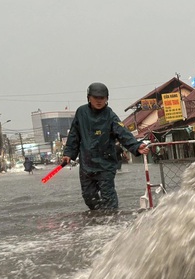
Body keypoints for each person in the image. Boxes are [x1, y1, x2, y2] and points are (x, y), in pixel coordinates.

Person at [62, 82, 149, 210]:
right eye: (95, 97)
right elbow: (74, 135)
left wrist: (136, 146)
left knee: (109, 198)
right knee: (89, 197)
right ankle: (98, 220)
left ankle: (112, 222)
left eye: (102, 98)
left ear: (107, 99)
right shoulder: (81, 113)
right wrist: (68, 154)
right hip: (86, 164)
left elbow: (122, 132)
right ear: (89, 98)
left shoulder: (110, 115)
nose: (99, 101)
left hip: (105, 164)